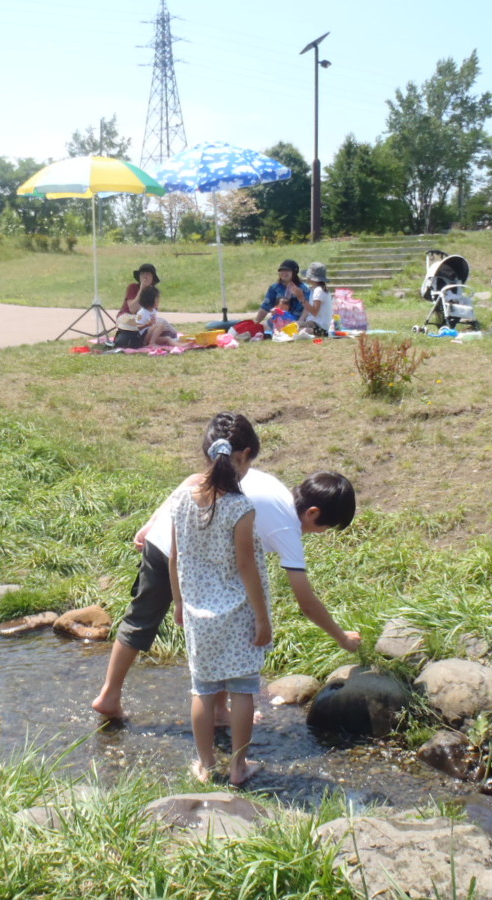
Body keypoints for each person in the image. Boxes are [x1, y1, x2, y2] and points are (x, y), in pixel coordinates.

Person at [91, 412, 361, 722]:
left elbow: (196, 479)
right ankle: (193, 706)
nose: (320, 534)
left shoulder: (267, 484)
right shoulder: (287, 528)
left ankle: (124, 697)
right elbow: (306, 600)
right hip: (180, 550)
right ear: (313, 513)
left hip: (169, 538)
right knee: (183, 620)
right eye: (325, 528)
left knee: (147, 619)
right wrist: (341, 638)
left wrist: (153, 520)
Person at [168, 415, 270, 785]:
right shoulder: (240, 508)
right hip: (239, 611)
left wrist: (179, 603)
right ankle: (239, 768)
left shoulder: (180, 499)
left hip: (197, 611)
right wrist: (262, 618)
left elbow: (174, 557)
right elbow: (247, 568)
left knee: (204, 689)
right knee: (243, 688)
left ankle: (206, 765)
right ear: (242, 456)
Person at [253, 260, 310, 326]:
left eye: (287, 271)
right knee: (263, 326)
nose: (283, 273)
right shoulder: (274, 288)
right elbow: (265, 307)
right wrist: (256, 322)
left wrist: (300, 321)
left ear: (294, 272)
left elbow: (307, 308)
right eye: (281, 271)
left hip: (298, 320)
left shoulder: (303, 288)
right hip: (279, 320)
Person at [298, 262, 332, 337]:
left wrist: (301, 298)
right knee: (294, 326)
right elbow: (309, 309)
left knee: (299, 329)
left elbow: (314, 312)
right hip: (314, 323)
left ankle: (322, 333)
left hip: (320, 327)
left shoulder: (318, 290)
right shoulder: (315, 289)